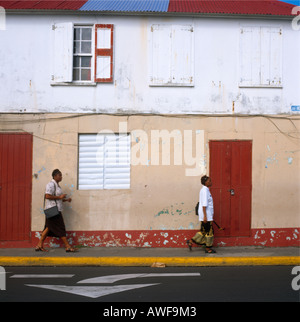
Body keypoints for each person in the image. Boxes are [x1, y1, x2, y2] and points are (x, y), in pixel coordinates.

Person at [35, 169, 77, 252]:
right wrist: (59, 197)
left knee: (48, 228)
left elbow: (57, 199)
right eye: (59, 175)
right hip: (53, 210)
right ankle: (67, 246)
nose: (61, 177)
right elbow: (47, 196)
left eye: (61, 175)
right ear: (54, 176)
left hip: (55, 210)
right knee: (61, 228)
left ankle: (39, 245)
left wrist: (65, 200)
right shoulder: (50, 185)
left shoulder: (57, 185)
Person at [186, 175, 216, 253]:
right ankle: (208, 248)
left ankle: (191, 241)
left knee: (203, 231)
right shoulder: (205, 191)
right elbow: (204, 204)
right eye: (209, 181)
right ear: (205, 182)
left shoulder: (206, 190)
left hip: (206, 215)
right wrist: (205, 217)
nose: (211, 182)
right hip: (206, 216)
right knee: (209, 232)